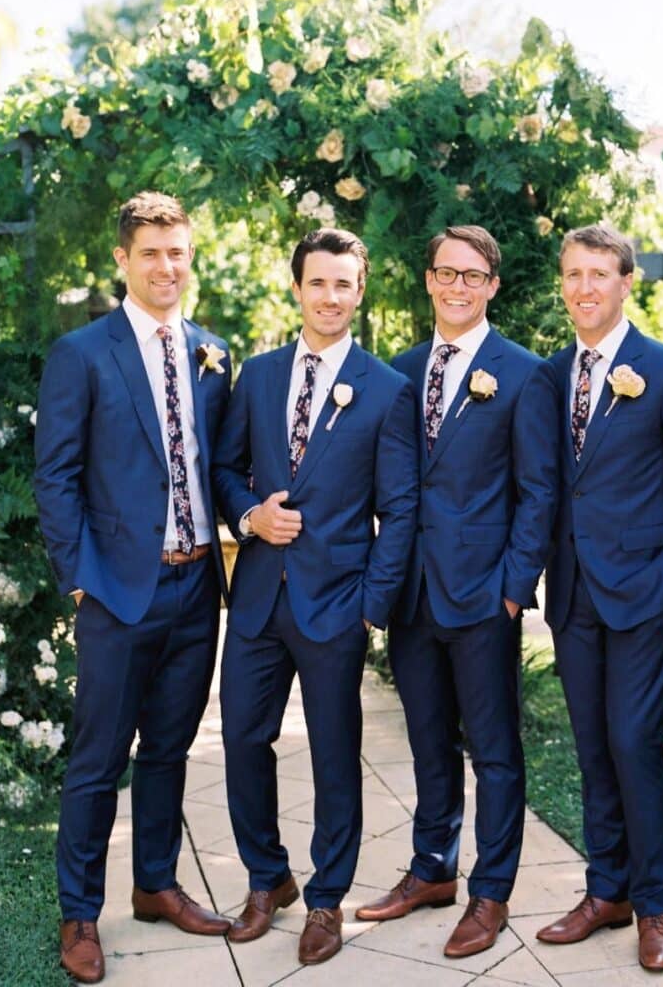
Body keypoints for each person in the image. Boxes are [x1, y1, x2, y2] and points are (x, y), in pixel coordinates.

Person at [34, 191, 232, 984]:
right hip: (118, 591)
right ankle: (79, 914)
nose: (165, 266)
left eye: (177, 251)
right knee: (97, 760)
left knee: (169, 751)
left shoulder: (213, 352)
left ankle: (155, 884)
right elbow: (56, 477)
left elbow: (216, 465)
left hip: (194, 589)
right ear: (121, 260)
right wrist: (81, 582)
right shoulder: (83, 353)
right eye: (149, 253)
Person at [212, 227, 419, 965]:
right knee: (242, 740)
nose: (329, 296)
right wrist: (249, 515)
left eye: (343, 284)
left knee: (335, 755)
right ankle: (268, 880)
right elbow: (226, 469)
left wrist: (370, 605)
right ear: (296, 287)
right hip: (260, 598)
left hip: (337, 603)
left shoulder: (388, 390)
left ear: (358, 291)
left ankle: (327, 898)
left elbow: (399, 511)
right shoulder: (259, 376)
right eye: (317, 282)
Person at [355, 225, 559, 959]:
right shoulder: (400, 371)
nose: (458, 286)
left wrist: (512, 590)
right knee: (426, 743)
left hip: (482, 596)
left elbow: (537, 492)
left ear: (492, 286)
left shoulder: (524, 372)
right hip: (412, 594)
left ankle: (490, 891)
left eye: (472, 276)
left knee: (495, 752)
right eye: (446, 273)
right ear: (428, 279)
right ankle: (431, 869)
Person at [535, 224, 663, 970]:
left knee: (633, 743)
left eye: (598, 274)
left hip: (645, 593)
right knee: (590, 746)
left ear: (625, 283)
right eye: (572, 274)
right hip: (572, 595)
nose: (583, 288)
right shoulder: (549, 376)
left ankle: (654, 907)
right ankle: (603, 890)